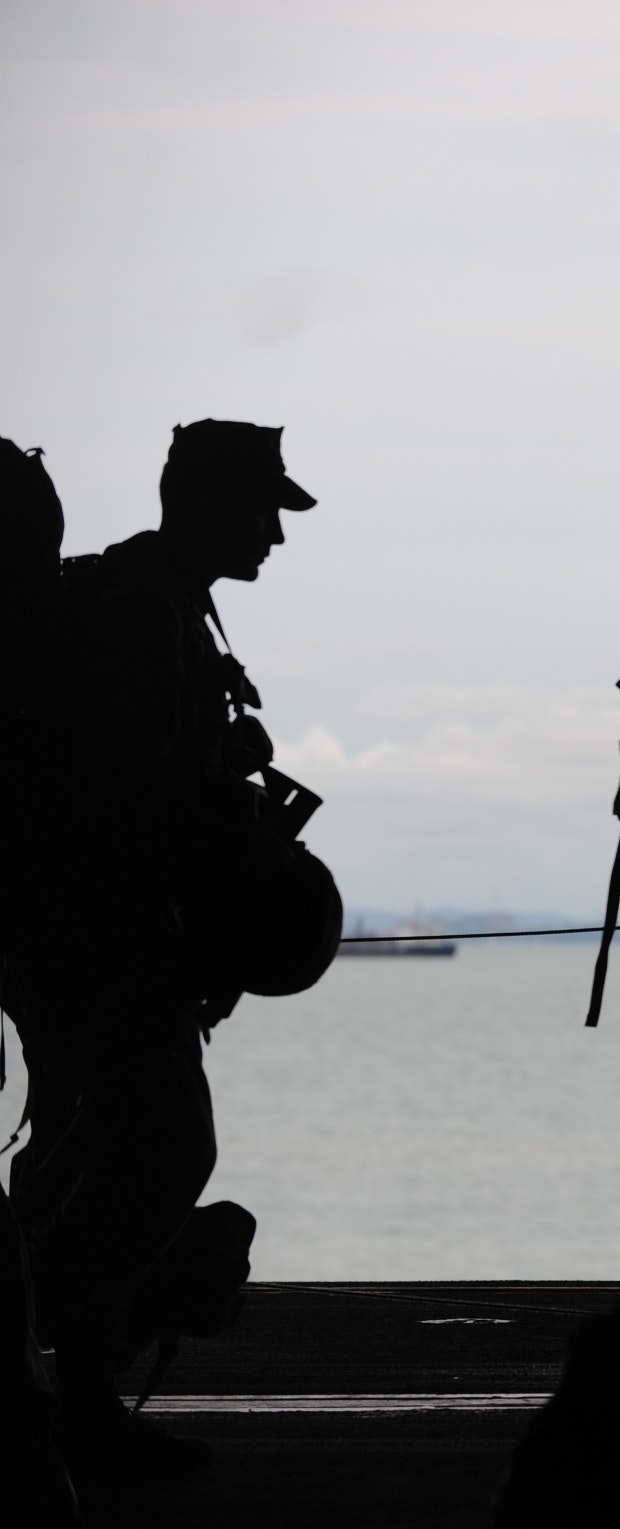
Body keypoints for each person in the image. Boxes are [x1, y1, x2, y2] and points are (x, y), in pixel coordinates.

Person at [0, 420, 312, 1482]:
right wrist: (242, 853)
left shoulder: (163, 603)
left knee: (84, 1156)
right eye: (263, 506)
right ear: (203, 501)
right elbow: (116, 798)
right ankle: (75, 1401)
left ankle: (58, 1398)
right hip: (102, 938)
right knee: (161, 1150)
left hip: (87, 937)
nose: (276, 530)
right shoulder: (142, 617)